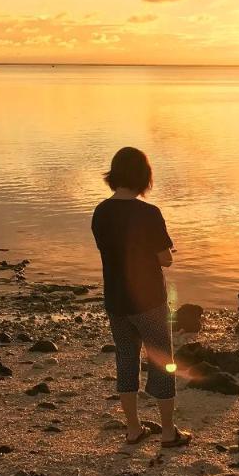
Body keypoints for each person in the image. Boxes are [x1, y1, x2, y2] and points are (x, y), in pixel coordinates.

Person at [91, 147, 191, 449]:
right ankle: (168, 432)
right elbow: (165, 260)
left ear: (114, 174)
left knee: (125, 358)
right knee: (161, 360)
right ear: (143, 177)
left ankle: (133, 429)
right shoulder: (149, 213)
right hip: (148, 300)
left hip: (116, 299)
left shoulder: (101, 212)